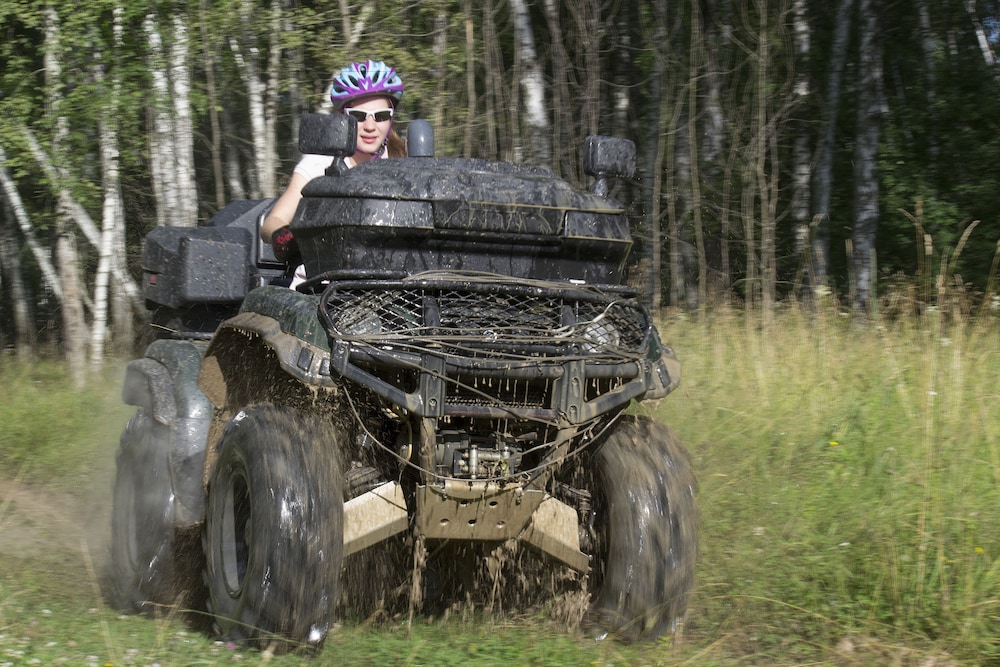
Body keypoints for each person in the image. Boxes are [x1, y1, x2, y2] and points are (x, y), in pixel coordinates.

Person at [262, 60, 406, 264]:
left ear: (391, 119)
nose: (370, 126)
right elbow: (272, 222)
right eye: (358, 116)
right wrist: (288, 239)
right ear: (342, 118)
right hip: (323, 277)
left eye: (381, 116)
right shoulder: (318, 163)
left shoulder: (406, 165)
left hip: (393, 275)